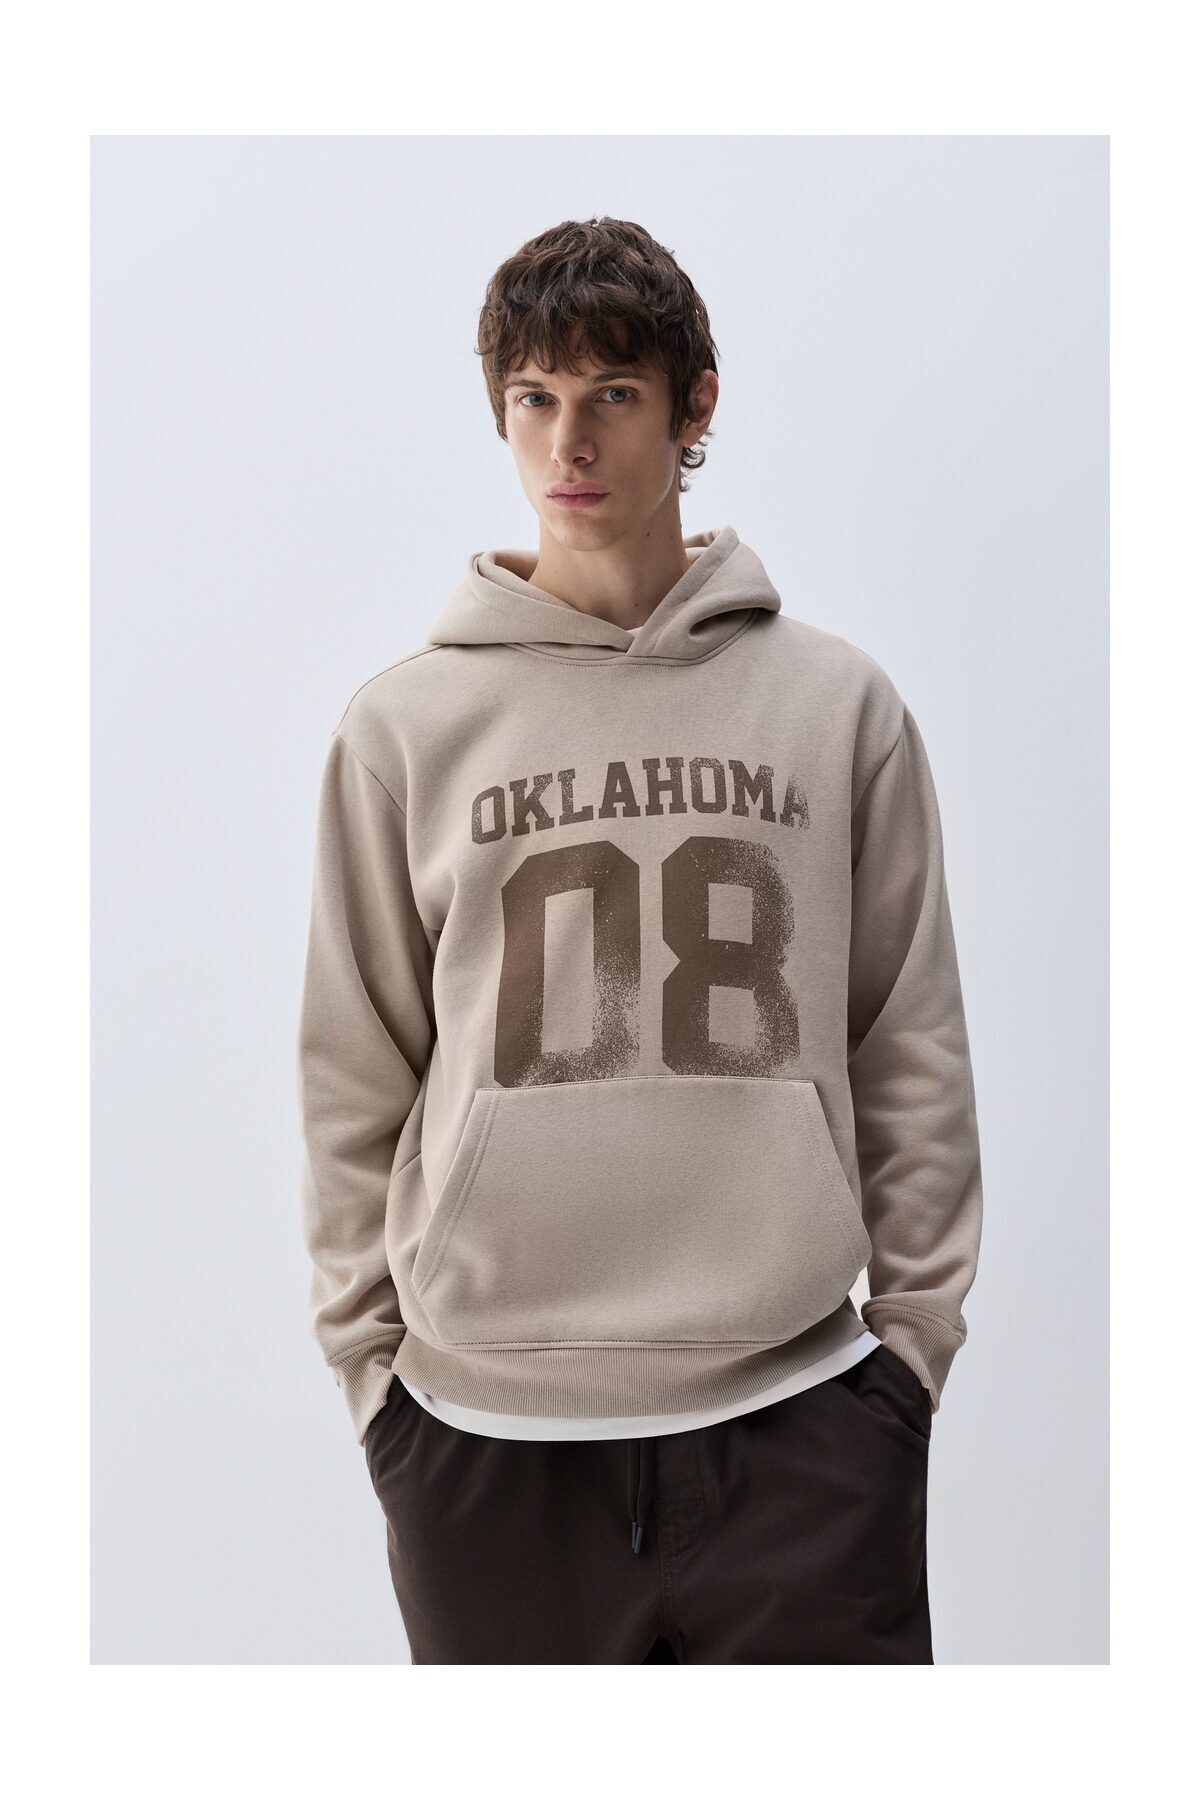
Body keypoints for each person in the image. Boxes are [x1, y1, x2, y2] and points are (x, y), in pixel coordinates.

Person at [296, 216, 984, 1664]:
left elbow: (906, 1033)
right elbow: (355, 1068)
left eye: (613, 392)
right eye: (534, 398)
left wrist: (911, 1355)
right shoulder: (404, 731)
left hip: (804, 1424)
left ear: (694, 406)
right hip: (484, 1443)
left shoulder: (837, 708)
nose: (570, 442)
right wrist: (372, 1378)